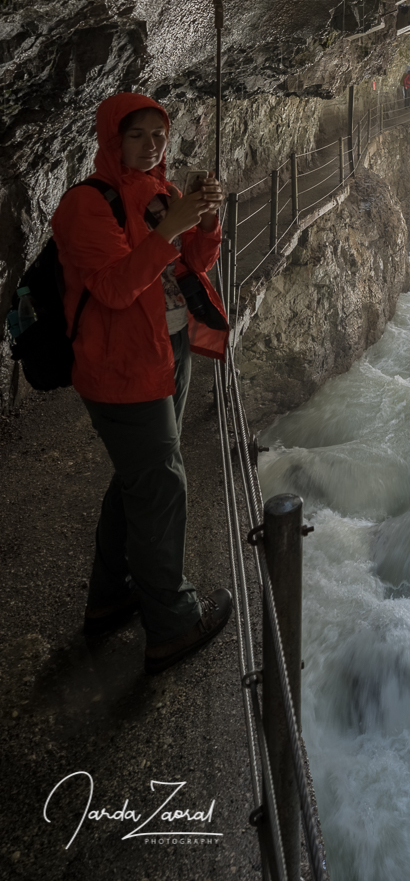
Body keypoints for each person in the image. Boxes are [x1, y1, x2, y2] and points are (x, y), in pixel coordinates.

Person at [52, 91, 233, 675]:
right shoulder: (86, 205)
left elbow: (193, 265)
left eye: (159, 134)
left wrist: (205, 221)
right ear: (113, 140)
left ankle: (113, 594)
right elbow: (113, 288)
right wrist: (171, 227)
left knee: (139, 477)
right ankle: (173, 626)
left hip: (166, 351)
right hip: (121, 367)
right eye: (138, 135)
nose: (152, 145)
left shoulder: (161, 193)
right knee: (160, 485)